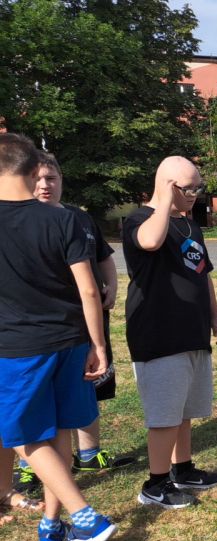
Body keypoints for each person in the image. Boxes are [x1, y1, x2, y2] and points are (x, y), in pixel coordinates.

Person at [0, 132, 116, 541]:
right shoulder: (64, 218)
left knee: (26, 439)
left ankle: (85, 518)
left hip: (17, 349)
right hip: (70, 342)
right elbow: (90, 290)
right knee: (60, 430)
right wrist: (98, 344)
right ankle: (51, 526)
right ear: (34, 171)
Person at [123, 156, 217, 510]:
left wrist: (214, 315)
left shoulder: (190, 225)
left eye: (199, 187)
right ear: (168, 187)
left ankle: (183, 469)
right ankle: (155, 484)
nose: (196, 194)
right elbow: (150, 242)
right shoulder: (139, 220)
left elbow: (203, 272)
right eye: (189, 188)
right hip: (159, 332)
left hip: (192, 329)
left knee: (184, 410)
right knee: (165, 414)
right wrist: (166, 201)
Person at [34, 153, 134, 474]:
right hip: (46, 324)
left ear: (61, 180)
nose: (44, 185)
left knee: (90, 384)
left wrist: (113, 286)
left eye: (51, 178)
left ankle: (89, 454)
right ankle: (31, 463)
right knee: (42, 392)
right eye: (37, 178)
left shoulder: (80, 218)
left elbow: (104, 257)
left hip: (90, 318)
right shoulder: (21, 220)